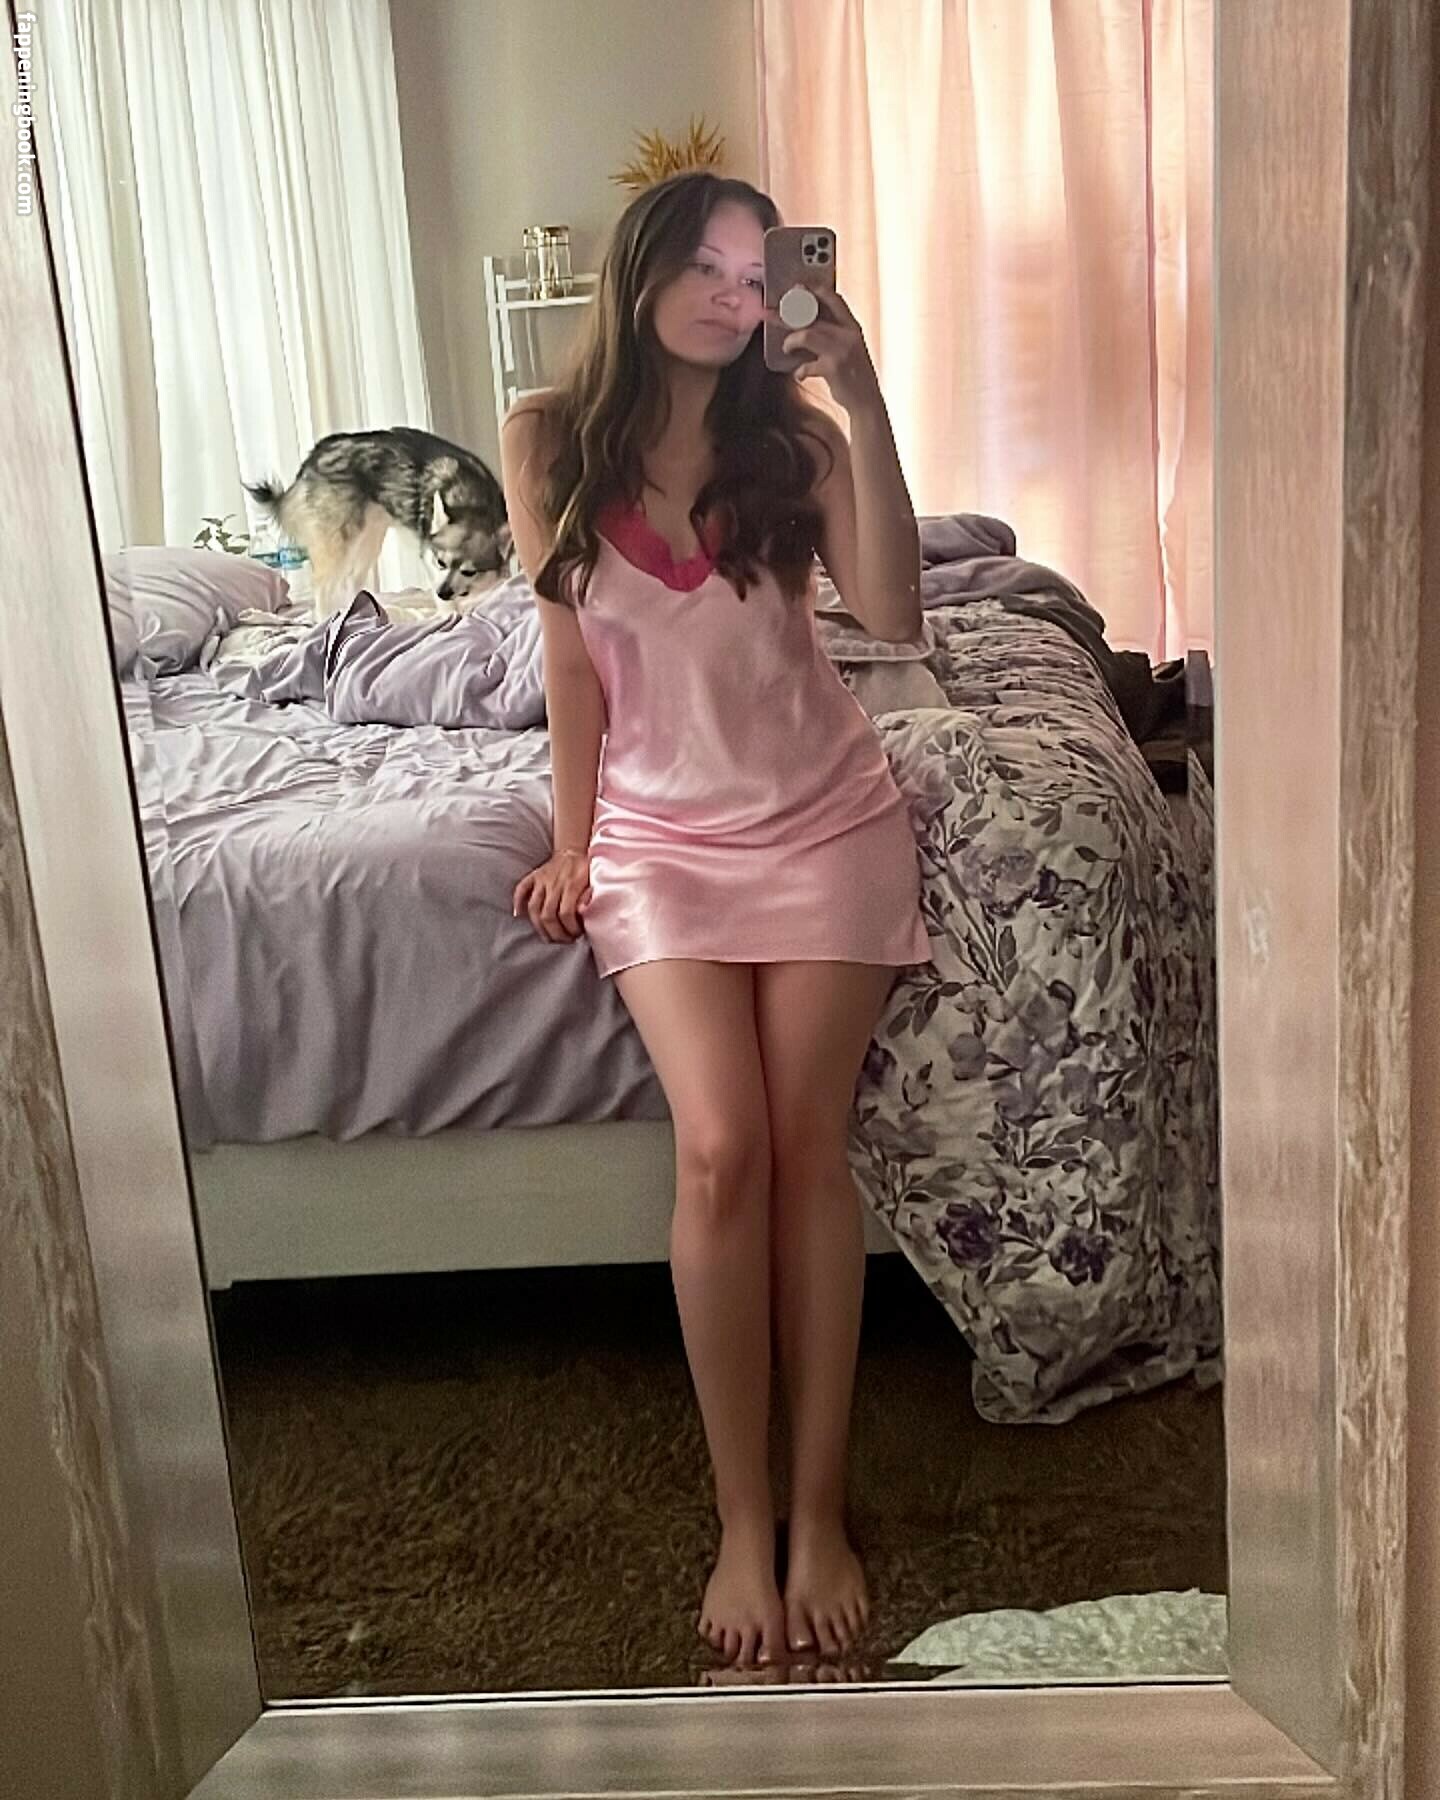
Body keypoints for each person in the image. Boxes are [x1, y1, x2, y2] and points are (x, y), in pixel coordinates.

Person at [501, 170, 932, 1672]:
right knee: (720, 1147)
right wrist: (573, 842)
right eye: (697, 262)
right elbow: (572, 668)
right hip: (662, 842)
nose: (726, 291)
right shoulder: (545, 440)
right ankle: (742, 1518)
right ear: (638, 275)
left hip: (826, 823)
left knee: (806, 1148)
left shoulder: (798, 443)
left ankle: (818, 1512)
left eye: (752, 270)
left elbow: (896, 615)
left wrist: (861, 397)